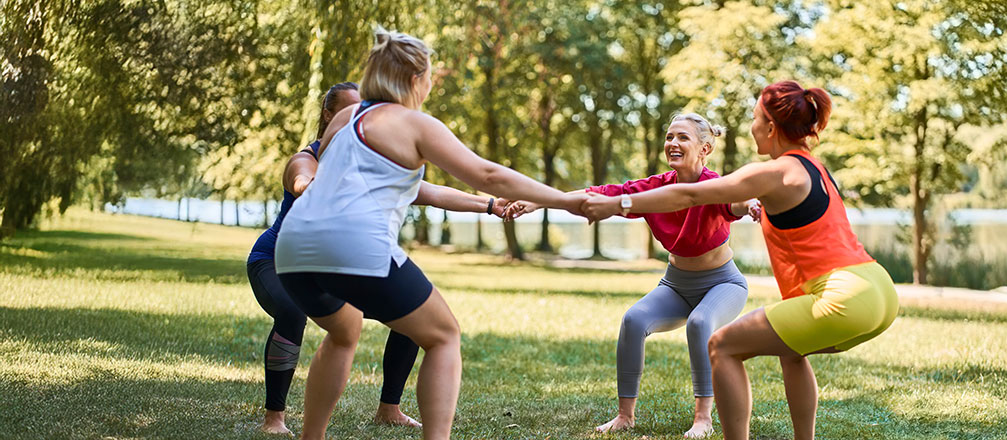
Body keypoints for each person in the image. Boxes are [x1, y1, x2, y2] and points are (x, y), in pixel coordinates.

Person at [274, 28, 587, 440]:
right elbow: (488, 174)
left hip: (292, 247)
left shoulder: (344, 120)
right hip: (353, 245)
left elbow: (419, 190)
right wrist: (565, 200)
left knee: (343, 331)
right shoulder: (415, 124)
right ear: (415, 78)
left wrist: (488, 205)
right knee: (443, 335)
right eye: (430, 76)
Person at [582, 80, 899, 440]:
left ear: (770, 127)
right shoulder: (816, 168)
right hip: (878, 290)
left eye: (754, 119)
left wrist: (619, 203)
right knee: (791, 351)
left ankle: (708, 420)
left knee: (722, 345)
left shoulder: (773, 171)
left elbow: (691, 196)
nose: (751, 127)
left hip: (845, 296)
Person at [246, 81, 521, 435]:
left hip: (335, 263)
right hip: (275, 261)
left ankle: (389, 408)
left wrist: (490, 205)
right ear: (329, 116)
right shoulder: (306, 158)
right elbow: (302, 181)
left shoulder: (367, 164)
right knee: (291, 312)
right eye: (350, 110)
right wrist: (321, 189)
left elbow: (431, 193)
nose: (361, 117)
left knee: (414, 312)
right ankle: (274, 418)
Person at [521, 113, 758, 438]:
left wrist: (752, 205)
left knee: (700, 322)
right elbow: (599, 194)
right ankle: (625, 416)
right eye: (669, 136)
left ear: (705, 149)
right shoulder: (654, 188)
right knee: (634, 320)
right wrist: (537, 202)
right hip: (676, 284)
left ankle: (703, 418)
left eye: (683, 137)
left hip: (723, 283)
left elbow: (738, 201)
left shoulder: (714, 186)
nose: (673, 143)